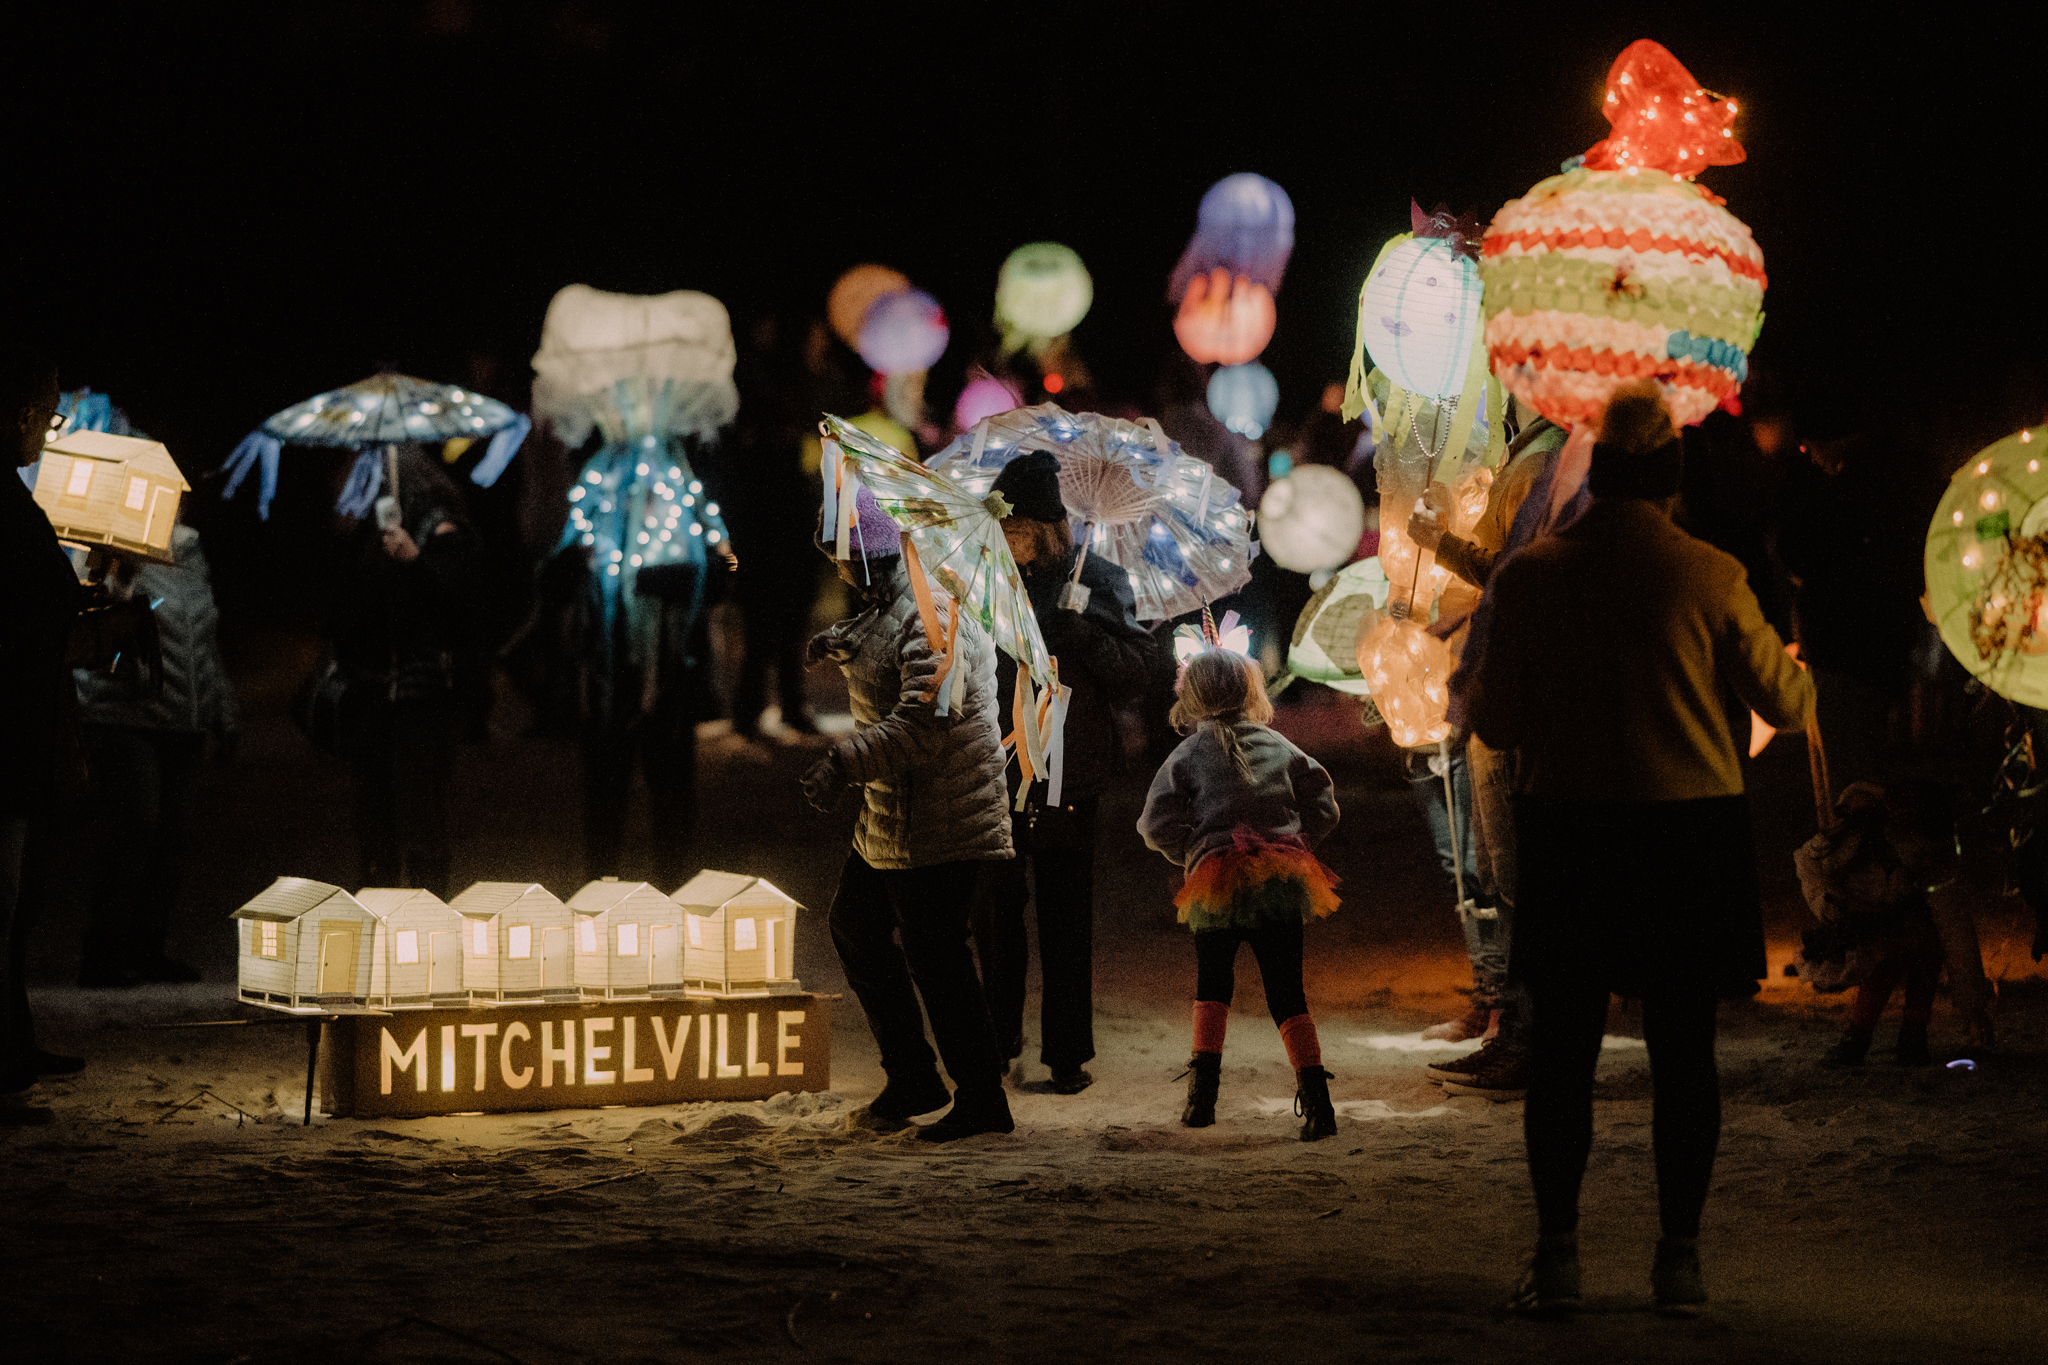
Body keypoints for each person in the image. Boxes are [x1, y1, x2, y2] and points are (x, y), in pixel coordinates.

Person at [1466, 380, 1813, 1316]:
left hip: (1571, 831)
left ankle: (1561, 1251)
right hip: (1686, 835)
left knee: (1567, 1054)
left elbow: (1491, 718)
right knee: (1683, 1057)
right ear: (1671, 475)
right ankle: (1678, 1257)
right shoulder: (1710, 575)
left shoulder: (1533, 575)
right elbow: (1787, 704)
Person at [803, 486, 1016, 1142]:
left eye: (843, 557)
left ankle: (982, 1098)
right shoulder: (893, 597)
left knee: (936, 952)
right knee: (857, 926)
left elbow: (924, 722)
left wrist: (843, 762)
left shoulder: (935, 610)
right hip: (895, 812)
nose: (837, 568)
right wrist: (836, 640)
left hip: (945, 813)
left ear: (871, 558)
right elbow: (882, 635)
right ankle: (912, 1076)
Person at [971, 451, 1154, 1094]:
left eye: (1018, 529)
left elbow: (1138, 671)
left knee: (1066, 913)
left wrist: (1089, 640)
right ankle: (995, 1041)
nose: (1009, 541)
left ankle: (1067, 1051)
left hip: (1068, 770)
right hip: (993, 766)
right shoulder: (982, 579)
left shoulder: (1093, 579)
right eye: (1001, 529)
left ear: (1048, 528)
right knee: (994, 913)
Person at [1407, 408, 1572, 1089]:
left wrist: (1440, 542)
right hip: (1504, 679)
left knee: (1515, 870)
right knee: (1509, 869)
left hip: (1511, 687)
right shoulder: (1534, 454)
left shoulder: (1545, 460)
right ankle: (1516, 1026)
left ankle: (1528, 1035)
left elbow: (1513, 569)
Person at [1138, 648, 1342, 1141]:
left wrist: (1192, 853)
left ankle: (1201, 1101)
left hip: (1216, 881)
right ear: (1251, 690)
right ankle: (1318, 1104)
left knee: (1213, 985)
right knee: (1287, 991)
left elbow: (1154, 824)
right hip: (1281, 879)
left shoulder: (1185, 754)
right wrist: (1295, 841)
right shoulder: (1280, 745)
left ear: (1191, 696)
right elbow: (1325, 807)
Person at [75, 516, 239, 986]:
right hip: (125, 715)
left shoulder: (190, 556)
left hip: (183, 721)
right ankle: (103, 953)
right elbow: (92, 626)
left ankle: (147, 948)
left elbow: (204, 643)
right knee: (135, 829)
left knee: (172, 836)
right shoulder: (106, 548)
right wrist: (116, 582)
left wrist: (222, 711)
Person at [323, 446, 485, 898]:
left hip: (422, 694)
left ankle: (426, 915)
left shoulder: (439, 527)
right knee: (375, 814)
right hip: (372, 691)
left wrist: (415, 562)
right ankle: (380, 906)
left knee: (419, 811)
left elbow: (460, 609)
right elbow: (345, 609)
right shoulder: (366, 533)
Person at [0, 340, 93, 1116]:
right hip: (8, 742)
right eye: (51, 411)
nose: (51, 429)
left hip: (20, 739)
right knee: (3, 903)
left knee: (17, 906)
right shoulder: (7, 506)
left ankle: (13, 1043)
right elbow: (40, 609)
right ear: (24, 413)